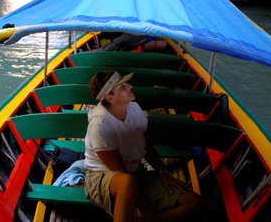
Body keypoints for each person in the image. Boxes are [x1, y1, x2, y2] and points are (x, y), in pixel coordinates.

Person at [84, 70, 201, 221]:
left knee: (193, 202)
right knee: (127, 182)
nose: (130, 86)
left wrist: (163, 172)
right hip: (102, 178)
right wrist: (147, 211)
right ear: (109, 97)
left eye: (125, 83)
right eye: (122, 87)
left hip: (137, 172)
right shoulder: (101, 125)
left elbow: (145, 143)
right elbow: (121, 172)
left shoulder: (134, 108)